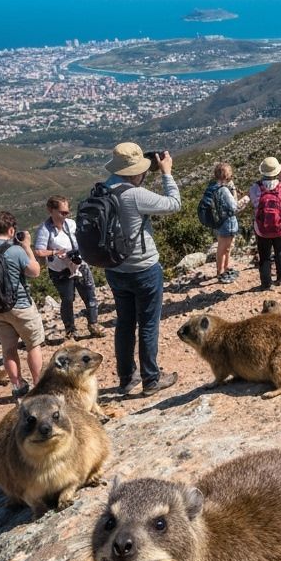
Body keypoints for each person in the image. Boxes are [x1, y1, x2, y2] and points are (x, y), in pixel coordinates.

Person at [101, 142, 181, 397]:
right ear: (134, 171)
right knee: (148, 323)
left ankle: (126, 378)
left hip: (114, 268)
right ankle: (151, 379)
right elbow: (173, 204)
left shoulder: (102, 189)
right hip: (143, 269)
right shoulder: (134, 195)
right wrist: (167, 172)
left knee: (125, 323)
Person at [0, 211, 45, 399]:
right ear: (12, 230)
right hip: (20, 304)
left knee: (8, 348)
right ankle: (39, 386)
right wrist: (27, 247)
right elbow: (35, 271)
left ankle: (17, 385)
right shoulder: (16, 251)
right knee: (33, 344)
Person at [33, 195, 105, 341]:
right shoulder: (45, 229)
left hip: (79, 264)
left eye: (67, 212)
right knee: (67, 300)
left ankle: (93, 324)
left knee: (90, 294)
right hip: (60, 270)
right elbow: (39, 251)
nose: (66, 215)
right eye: (62, 212)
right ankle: (70, 330)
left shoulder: (71, 224)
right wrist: (55, 252)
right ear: (51, 211)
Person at [249, 157, 281, 290]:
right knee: (280, 251)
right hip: (280, 228)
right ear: (277, 171)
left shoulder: (255, 188)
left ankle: (265, 282)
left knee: (264, 255)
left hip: (261, 229)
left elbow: (253, 202)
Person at [204, 163, 249, 285]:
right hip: (226, 223)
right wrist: (246, 199)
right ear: (226, 175)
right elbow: (234, 207)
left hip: (221, 223)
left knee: (227, 247)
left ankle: (225, 267)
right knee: (223, 248)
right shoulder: (223, 190)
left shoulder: (214, 186)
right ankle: (220, 271)